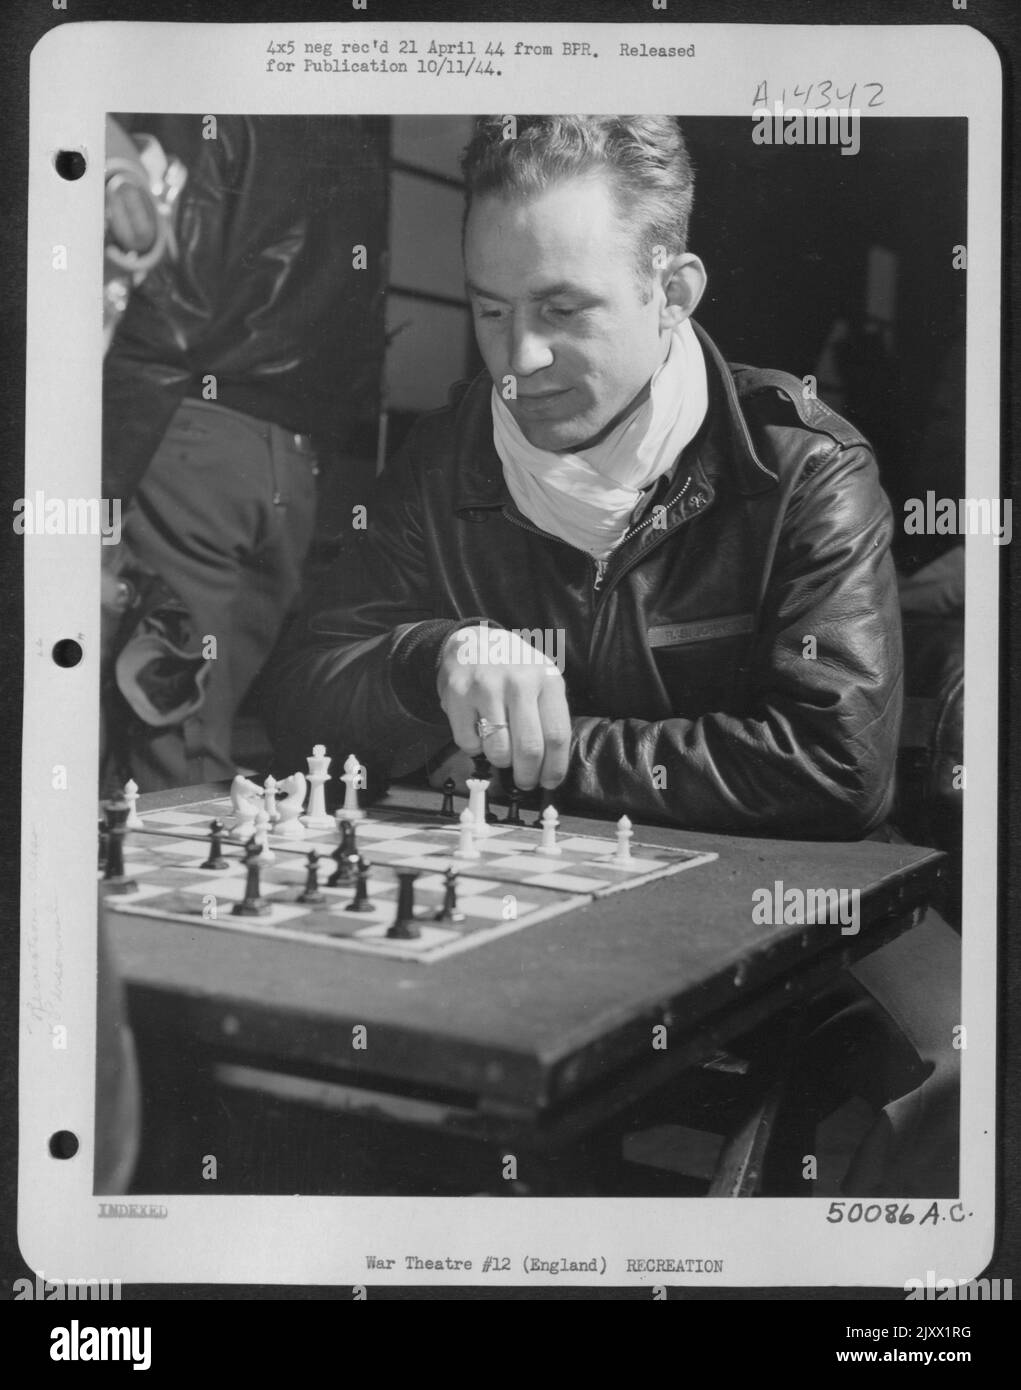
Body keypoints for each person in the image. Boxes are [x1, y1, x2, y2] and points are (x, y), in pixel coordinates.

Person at [267, 116, 958, 1195]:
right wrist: (428, 659)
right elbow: (304, 690)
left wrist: (519, 758)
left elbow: (832, 766)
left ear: (673, 291)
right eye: (490, 309)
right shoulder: (445, 458)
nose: (516, 359)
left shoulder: (803, 469)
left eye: (559, 308)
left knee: (945, 1087)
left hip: (776, 941)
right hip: (514, 939)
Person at [102, 115, 385, 792]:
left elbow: (167, 313)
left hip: (191, 440)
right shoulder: (360, 148)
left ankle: (167, 893)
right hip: (289, 463)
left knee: (166, 728)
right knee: (199, 717)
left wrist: (101, 491)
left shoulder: (220, 117)